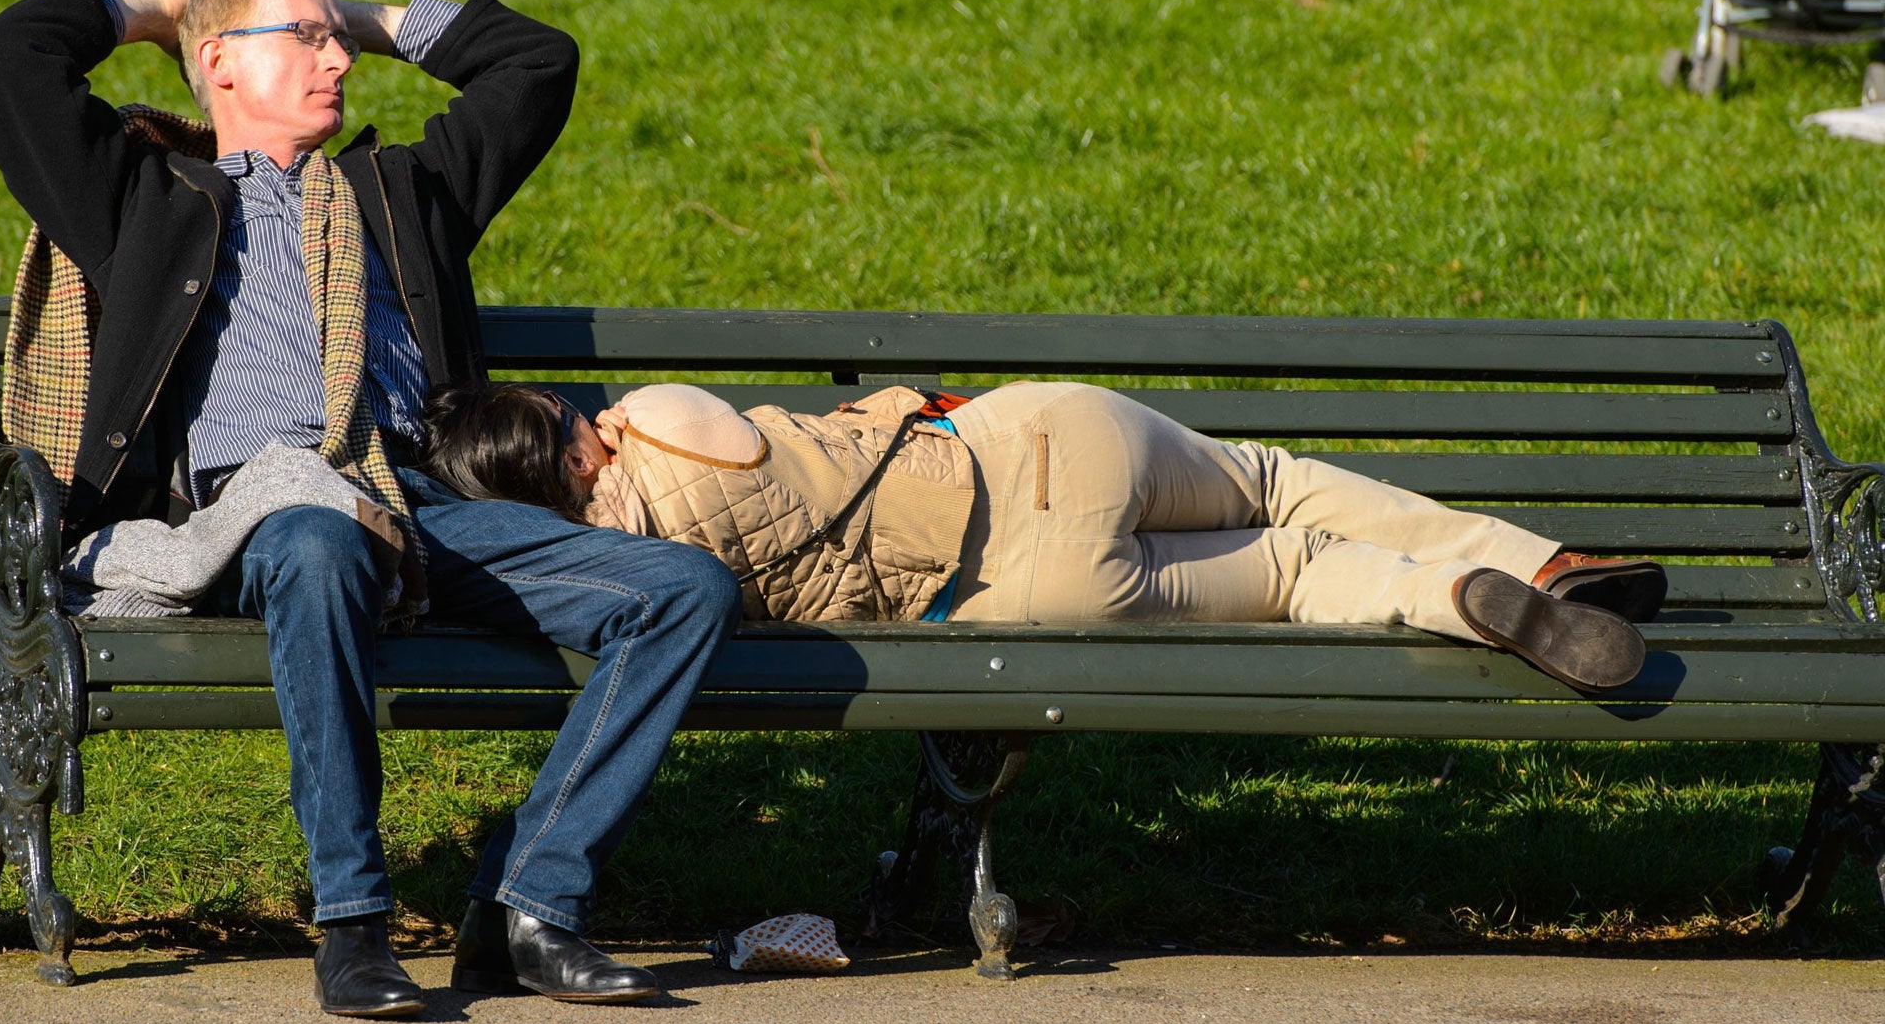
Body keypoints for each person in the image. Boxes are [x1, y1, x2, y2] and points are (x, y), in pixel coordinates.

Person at [0, 0, 741, 1017]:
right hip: (255, 514)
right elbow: (10, 60)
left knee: (680, 591)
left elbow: (535, 64)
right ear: (219, 65)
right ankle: (354, 923)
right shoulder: (144, 199)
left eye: (339, 41)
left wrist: (366, 18)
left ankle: (528, 905)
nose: (338, 60)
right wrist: (147, 10)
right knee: (319, 541)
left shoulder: (401, 195)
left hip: (415, 507)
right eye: (307, 39)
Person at [422, 380, 1670, 693]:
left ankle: (1452, 600)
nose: (583, 414)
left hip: (1029, 590)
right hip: (1035, 448)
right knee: (1277, 483)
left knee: (1293, 575)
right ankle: (1528, 560)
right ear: (561, 446)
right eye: (557, 420)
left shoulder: (651, 572)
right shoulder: (658, 423)